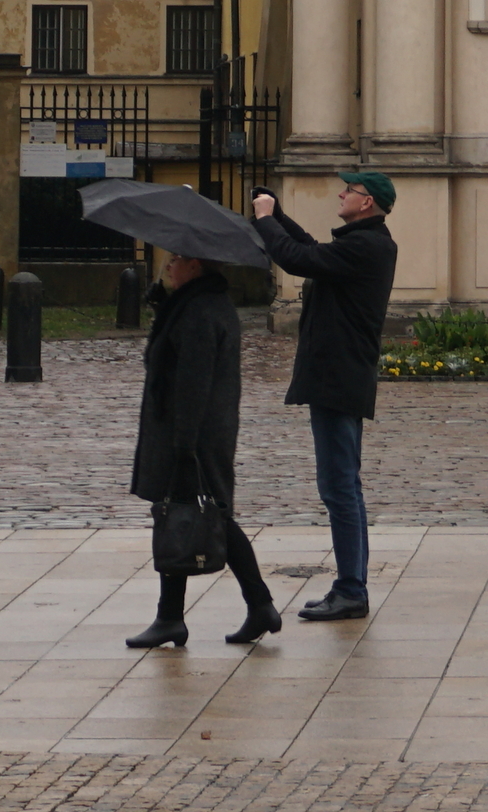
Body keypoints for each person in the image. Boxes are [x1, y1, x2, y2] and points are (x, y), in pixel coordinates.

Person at [251, 171, 398, 623]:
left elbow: (297, 259)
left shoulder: (366, 247)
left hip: (338, 380)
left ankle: (352, 589)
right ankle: (351, 585)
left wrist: (265, 222)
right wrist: (277, 213)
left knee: (339, 488)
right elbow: (312, 251)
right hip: (339, 378)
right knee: (343, 487)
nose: (341, 194)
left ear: (366, 202)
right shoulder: (364, 243)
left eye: (349, 190)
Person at [124, 251, 276, 648]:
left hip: (194, 434)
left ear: (197, 265)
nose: (170, 265)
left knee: (204, 515)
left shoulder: (201, 311)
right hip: (193, 431)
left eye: (176, 260)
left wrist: (185, 446)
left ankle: (186, 615)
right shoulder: (193, 304)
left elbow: (194, 381)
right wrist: (162, 302)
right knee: (188, 514)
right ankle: (177, 616)